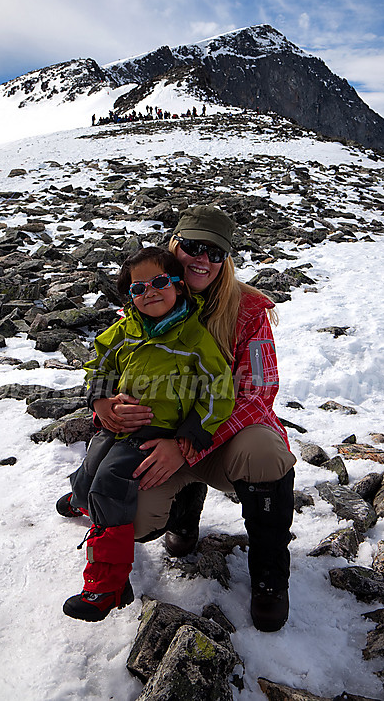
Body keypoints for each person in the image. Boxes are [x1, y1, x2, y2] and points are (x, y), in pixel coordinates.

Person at [88, 205, 296, 632]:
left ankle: (270, 575)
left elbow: (259, 391)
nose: (202, 258)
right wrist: (104, 405)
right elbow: (111, 361)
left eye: (215, 252)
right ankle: (181, 517)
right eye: (193, 246)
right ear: (174, 246)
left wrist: (186, 445)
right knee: (137, 520)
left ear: (226, 259)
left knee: (265, 453)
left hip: (219, 439)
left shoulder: (251, 309)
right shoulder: (149, 294)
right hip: (157, 437)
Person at [58, 246, 235, 622]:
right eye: (138, 288)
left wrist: (192, 433)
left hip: (156, 432)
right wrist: (102, 401)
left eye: (159, 283)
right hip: (118, 423)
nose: (149, 293)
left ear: (178, 286)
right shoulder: (125, 330)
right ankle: (81, 498)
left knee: (108, 484)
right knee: (90, 467)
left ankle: (107, 586)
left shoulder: (194, 340)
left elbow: (220, 392)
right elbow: (100, 363)